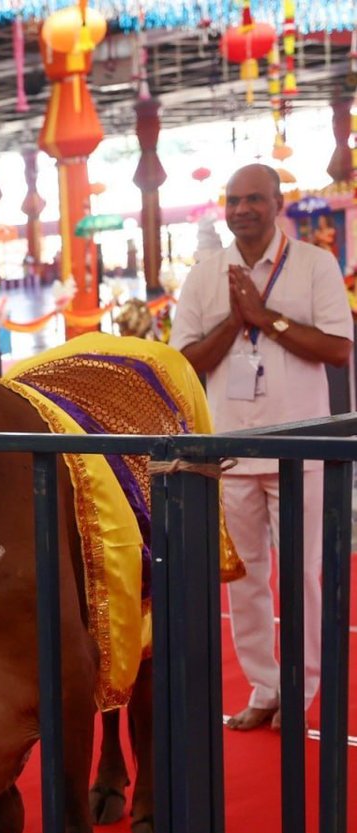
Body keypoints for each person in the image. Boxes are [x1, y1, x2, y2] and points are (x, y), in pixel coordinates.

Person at [170, 164, 352, 731]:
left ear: (278, 203)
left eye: (253, 199)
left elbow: (338, 349)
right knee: (242, 580)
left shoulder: (315, 265)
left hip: (299, 450)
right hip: (229, 451)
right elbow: (183, 363)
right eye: (233, 200)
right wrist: (236, 322)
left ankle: (301, 687)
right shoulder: (205, 274)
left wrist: (265, 319)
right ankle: (264, 687)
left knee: (301, 575)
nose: (241, 209)